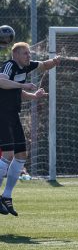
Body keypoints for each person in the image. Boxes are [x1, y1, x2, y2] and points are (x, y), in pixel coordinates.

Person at [0, 42, 61, 216]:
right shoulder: (9, 65)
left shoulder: (25, 67)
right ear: (17, 55)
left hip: (12, 115)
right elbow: (1, 82)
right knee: (8, 154)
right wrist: (23, 86)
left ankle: (6, 195)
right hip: (2, 114)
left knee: (21, 156)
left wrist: (55, 61)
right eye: (25, 53)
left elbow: (43, 66)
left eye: (29, 53)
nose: (29, 56)